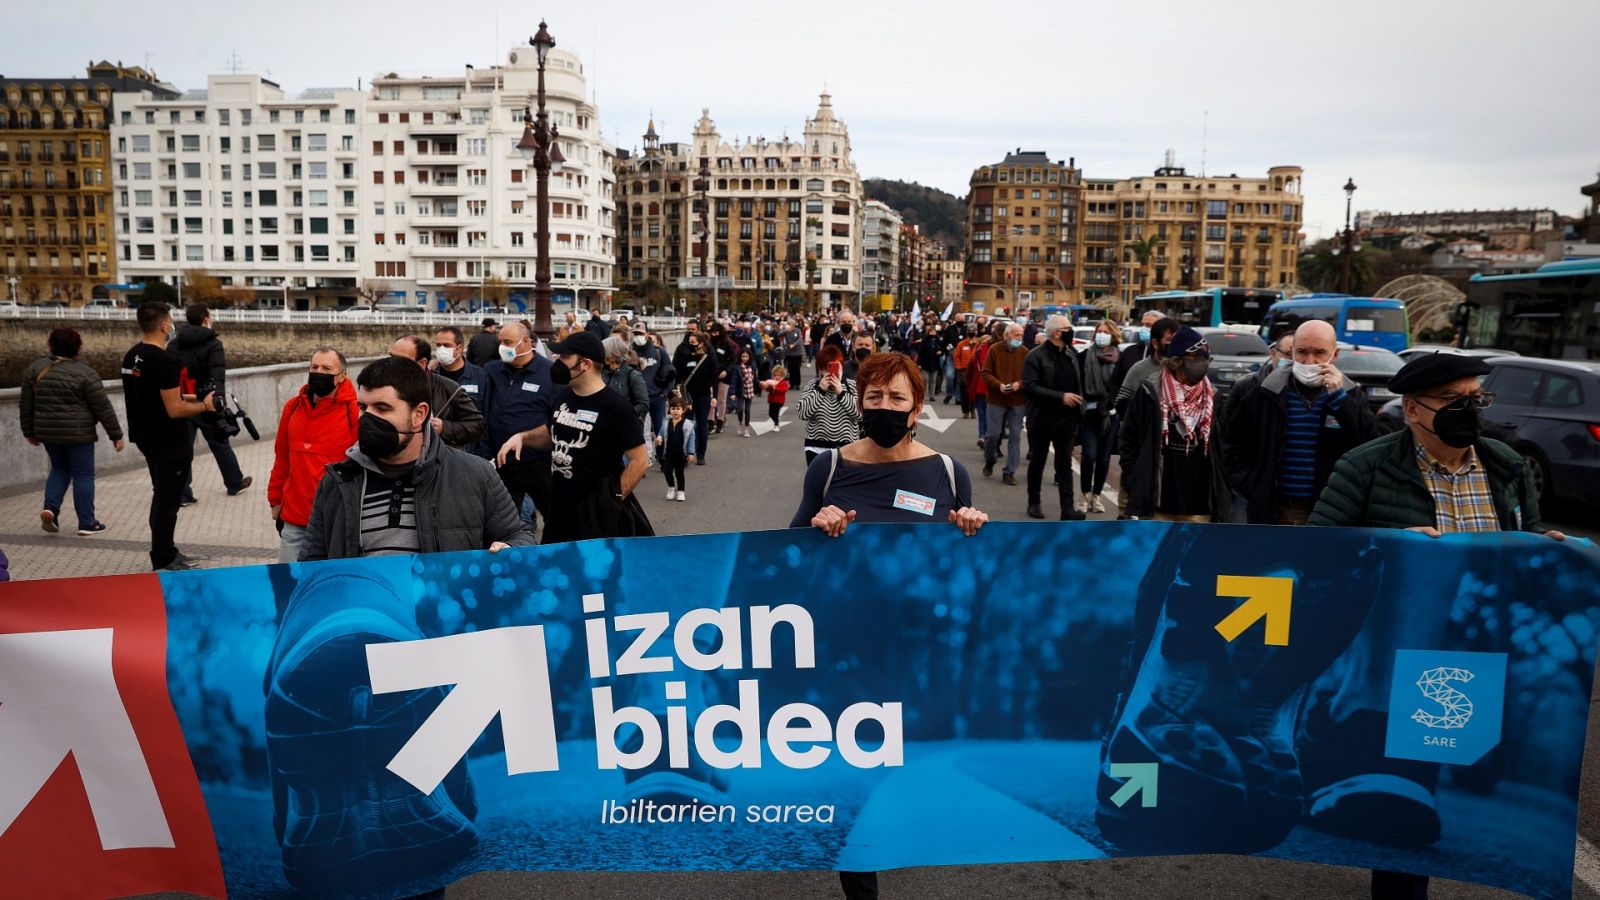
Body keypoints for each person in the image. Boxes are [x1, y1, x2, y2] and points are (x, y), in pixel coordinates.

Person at [1307, 352, 1564, 900]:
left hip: (1467, 655)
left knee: (1427, 795)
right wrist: (1390, 545)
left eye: (1476, 399)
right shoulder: (1365, 466)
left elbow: (1525, 543)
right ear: (1413, 409)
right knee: (1400, 823)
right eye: (1453, 400)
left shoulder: (1506, 466)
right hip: (1385, 653)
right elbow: (1318, 556)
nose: (1468, 410)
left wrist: (1545, 551)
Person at [299, 356, 532, 560]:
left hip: (441, 608)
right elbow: (311, 562)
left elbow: (518, 536)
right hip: (365, 609)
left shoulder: (475, 474)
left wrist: (510, 549)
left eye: (382, 408)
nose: (367, 419)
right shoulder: (338, 481)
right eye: (363, 407)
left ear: (419, 414)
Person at [496, 331, 652, 544]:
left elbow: (640, 460)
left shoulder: (616, 407)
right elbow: (553, 432)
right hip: (559, 509)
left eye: (564, 357)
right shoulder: (563, 396)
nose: (556, 361)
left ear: (585, 364)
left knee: (594, 574)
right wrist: (522, 437)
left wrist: (612, 500)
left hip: (596, 516)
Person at [1222, 320, 1381, 525]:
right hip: (1274, 513)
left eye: (1319, 353)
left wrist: (1341, 401)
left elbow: (1371, 444)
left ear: (1335, 355)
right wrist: (1256, 487)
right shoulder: (1264, 394)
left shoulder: (1351, 396)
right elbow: (1232, 447)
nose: (1309, 361)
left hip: (1330, 514)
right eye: (1302, 352)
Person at [122, 302, 220, 571]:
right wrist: (205, 406)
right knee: (168, 500)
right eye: (171, 321)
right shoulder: (163, 360)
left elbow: (159, 396)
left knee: (161, 495)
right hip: (168, 440)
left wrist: (197, 396)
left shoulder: (132, 357)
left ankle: (165, 550)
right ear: (165, 326)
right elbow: (175, 408)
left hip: (145, 437)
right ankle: (163, 556)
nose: (172, 325)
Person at [1118, 326, 1230, 522]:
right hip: (1159, 501)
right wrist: (1133, 479)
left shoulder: (1214, 397)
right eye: (1197, 358)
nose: (1203, 364)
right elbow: (1129, 439)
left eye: (1206, 358)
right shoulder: (1150, 392)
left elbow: (1224, 447)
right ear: (1177, 361)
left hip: (1200, 505)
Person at [21, 325, 123, 536]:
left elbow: (26, 404)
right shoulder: (85, 373)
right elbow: (102, 407)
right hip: (79, 433)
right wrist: (116, 435)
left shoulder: (35, 369)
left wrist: (28, 430)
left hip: (48, 431)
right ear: (78, 347)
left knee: (59, 469)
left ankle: (51, 508)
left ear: (51, 345)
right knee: (83, 475)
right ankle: (87, 522)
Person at [267, 347, 360, 563]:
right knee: (289, 586)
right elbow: (282, 458)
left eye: (327, 368)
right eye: (314, 367)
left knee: (330, 587)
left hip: (336, 521)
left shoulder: (354, 412)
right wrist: (275, 500)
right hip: (295, 519)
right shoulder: (293, 408)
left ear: (342, 376)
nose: (319, 372)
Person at [478, 321, 555, 536]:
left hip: (538, 463)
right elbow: (482, 410)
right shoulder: (492, 370)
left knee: (555, 517)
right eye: (500, 342)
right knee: (499, 526)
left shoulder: (549, 373)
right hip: (501, 463)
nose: (502, 346)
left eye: (508, 342)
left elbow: (555, 417)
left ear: (527, 343)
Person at [169, 303, 250, 503]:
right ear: (206, 318)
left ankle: (183, 494)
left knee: (182, 448)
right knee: (220, 443)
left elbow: (168, 375)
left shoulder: (174, 344)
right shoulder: (213, 344)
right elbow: (217, 375)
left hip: (181, 401)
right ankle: (234, 483)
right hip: (206, 402)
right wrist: (218, 401)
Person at [1020, 316, 1087, 520]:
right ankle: (1034, 502)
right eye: (1068, 328)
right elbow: (1030, 388)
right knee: (1038, 461)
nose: (1071, 331)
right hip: (1041, 418)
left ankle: (1067, 509)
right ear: (1057, 332)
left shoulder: (1071, 355)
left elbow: (1078, 383)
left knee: (1064, 463)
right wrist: (1061, 397)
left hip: (1067, 420)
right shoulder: (1035, 356)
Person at [390, 335, 486, 450]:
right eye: (391, 357)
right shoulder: (383, 385)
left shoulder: (449, 388)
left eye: (401, 360)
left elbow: (478, 425)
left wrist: (444, 428)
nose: (392, 364)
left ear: (422, 363)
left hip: (440, 461)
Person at [1077, 319, 1125, 514]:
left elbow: (1123, 385)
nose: (1102, 335)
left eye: (1106, 331)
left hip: (1110, 414)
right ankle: (1085, 494)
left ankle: (1097, 496)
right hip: (1088, 412)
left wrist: (1113, 403)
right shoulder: (1084, 356)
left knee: (1104, 458)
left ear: (1113, 336)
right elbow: (1078, 382)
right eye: (1099, 331)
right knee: (1088, 455)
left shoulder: (1120, 359)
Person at [981, 322, 1029, 485]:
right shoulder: (994, 350)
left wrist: (1018, 384)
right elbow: (986, 373)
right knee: (993, 435)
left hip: (1017, 401)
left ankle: (1009, 471)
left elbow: (1030, 377)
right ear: (1007, 335)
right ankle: (990, 459)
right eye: (1017, 335)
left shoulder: (1025, 352)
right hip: (996, 399)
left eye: (1021, 335)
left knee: (1015, 437)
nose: (1019, 338)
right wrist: (999, 385)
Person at [799, 344, 862, 466]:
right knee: (820, 484)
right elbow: (803, 413)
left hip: (847, 447)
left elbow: (860, 415)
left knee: (844, 484)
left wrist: (841, 393)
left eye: (834, 366)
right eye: (826, 368)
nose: (830, 372)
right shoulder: (813, 386)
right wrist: (821, 390)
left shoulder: (852, 385)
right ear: (820, 369)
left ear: (841, 366)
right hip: (815, 446)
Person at [675, 330, 719, 465]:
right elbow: (679, 376)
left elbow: (714, 379)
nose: (691, 345)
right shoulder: (686, 357)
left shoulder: (709, 358)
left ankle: (701, 454)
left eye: (693, 343)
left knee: (701, 425)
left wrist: (715, 396)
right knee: (686, 425)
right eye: (690, 342)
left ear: (701, 343)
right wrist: (677, 390)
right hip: (688, 396)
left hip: (703, 396)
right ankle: (687, 453)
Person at [633, 328, 675, 465]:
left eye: (640, 333)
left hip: (657, 397)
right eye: (635, 334)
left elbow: (670, 372)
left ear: (646, 334)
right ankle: (643, 458)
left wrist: (665, 392)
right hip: (639, 398)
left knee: (659, 428)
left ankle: (662, 456)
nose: (638, 336)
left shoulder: (659, 351)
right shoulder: (631, 353)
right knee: (640, 430)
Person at [601, 335, 650, 425]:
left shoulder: (633, 376)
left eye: (604, 353)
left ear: (613, 357)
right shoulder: (603, 373)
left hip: (625, 427)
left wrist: (623, 415)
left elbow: (643, 404)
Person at [655, 396, 696, 501]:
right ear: (669, 410)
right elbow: (661, 433)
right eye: (673, 409)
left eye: (678, 409)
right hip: (668, 453)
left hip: (680, 454)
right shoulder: (666, 423)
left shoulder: (688, 425)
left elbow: (691, 439)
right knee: (667, 471)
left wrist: (691, 453)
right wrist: (659, 438)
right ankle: (671, 488)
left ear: (683, 410)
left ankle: (681, 491)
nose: (675, 411)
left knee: (679, 473)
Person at [729, 348, 757, 437]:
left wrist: (762, 384)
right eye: (743, 356)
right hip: (740, 391)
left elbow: (755, 379)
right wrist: (732, 393)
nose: (744, 358)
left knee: (747, 410)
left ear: (749, 357)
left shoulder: (752, 366)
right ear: (740, 357)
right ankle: (740, 423)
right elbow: (734, 380)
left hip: (750, 390)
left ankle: (746, 429)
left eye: (746, 356)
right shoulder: (737, 367)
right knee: (740, 409)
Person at [761, 364, 791, 432]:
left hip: (779, 401)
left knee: (775, 413)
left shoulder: (784, 382)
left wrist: (775, 388)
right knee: (770, 413)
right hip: (771, 400)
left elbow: (783, 390)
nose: (776, 377)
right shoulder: (772, 381)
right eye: (775, 375)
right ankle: (776, 419)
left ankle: (776, 424)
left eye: (778, 375)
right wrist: (767, 387)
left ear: (782, 375)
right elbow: (768, 389)